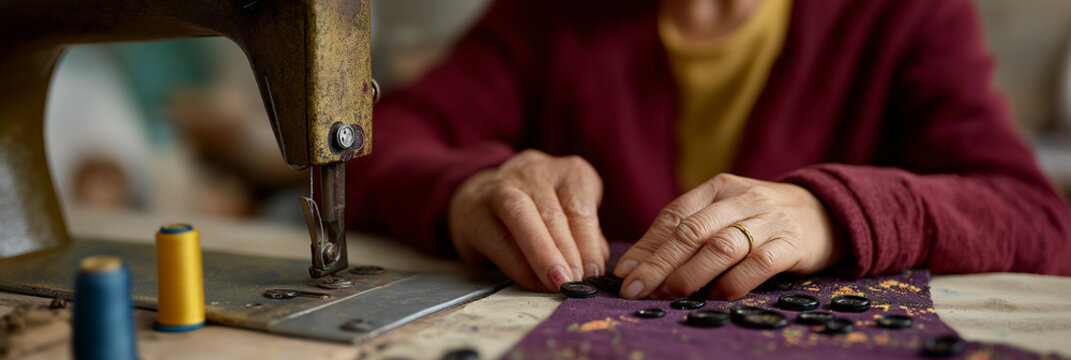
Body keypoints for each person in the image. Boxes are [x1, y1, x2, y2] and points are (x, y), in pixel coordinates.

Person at [346, 0, 1071, 300]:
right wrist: (470, 187)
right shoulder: (550, 13)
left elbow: (1034, 217)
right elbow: (378, 136)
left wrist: (831, 211)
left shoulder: (905, 14)